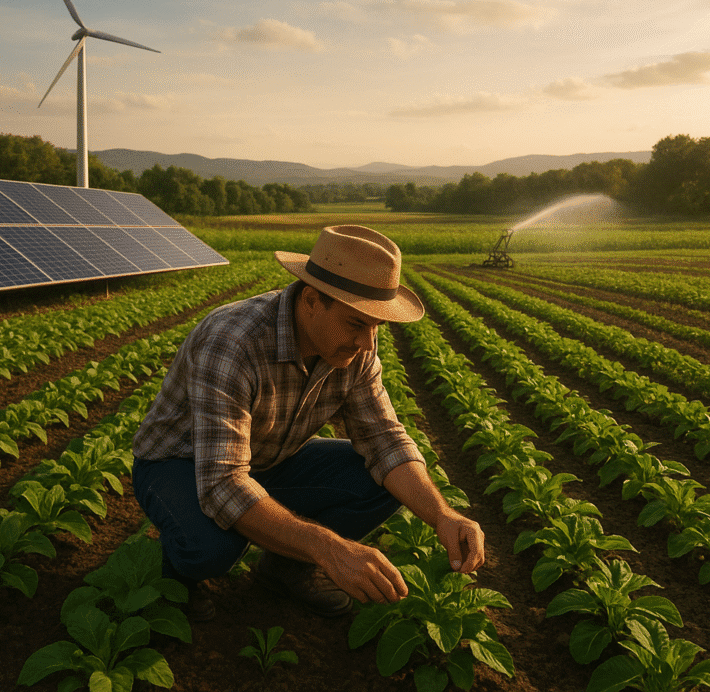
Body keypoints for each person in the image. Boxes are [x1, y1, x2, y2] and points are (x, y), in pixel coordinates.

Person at [132, 224, 485, 621]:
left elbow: (385, 440)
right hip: (182, 463)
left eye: (377, 326)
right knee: (212, 548)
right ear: (313, 300)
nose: (369, 343)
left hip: (265, 460)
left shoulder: (357, 347)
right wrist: (330, 548)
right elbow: (222, 484)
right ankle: (174, 572)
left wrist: (444, 515)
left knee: (382, 479)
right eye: (357, 324)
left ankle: (287, 569)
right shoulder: (233, 341)